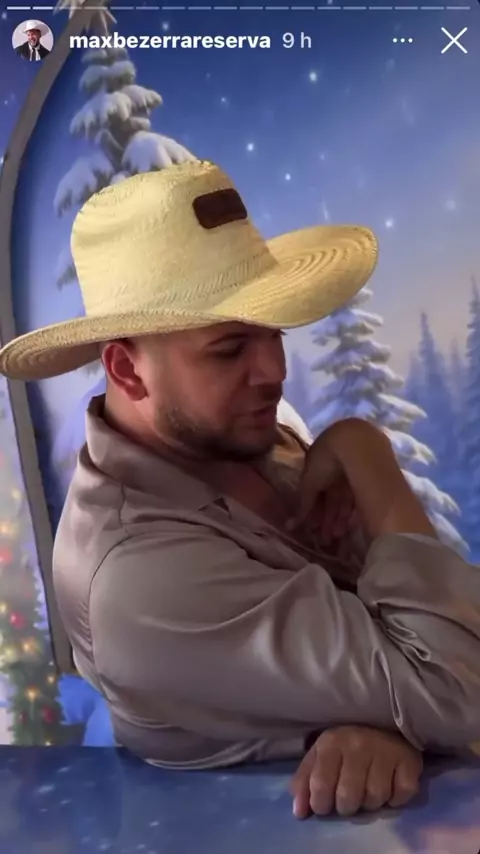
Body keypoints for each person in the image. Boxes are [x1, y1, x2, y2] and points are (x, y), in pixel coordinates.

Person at [1, 160, 480, 819]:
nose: (273, 371)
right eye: (229, 349)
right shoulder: (140, 573)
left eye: (273, 332)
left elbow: (422, 664)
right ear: (126, 369)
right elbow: (456, 686)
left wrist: (383, 713)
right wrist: (370, 459)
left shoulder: (238, 438)